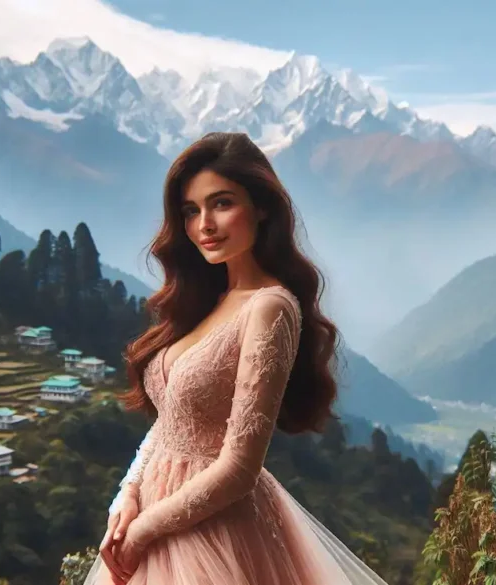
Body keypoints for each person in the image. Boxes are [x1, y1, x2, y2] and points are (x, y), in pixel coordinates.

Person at [85, 132, 389, 585]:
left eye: (221, 203)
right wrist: (127, 495)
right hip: (153, 519)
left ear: (262, 206)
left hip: (214, 533)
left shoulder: (269, 307)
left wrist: (143, 532)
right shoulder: (207, 297)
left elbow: (239, 470)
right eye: (191, 210)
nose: (204, 224)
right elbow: (172, 421)